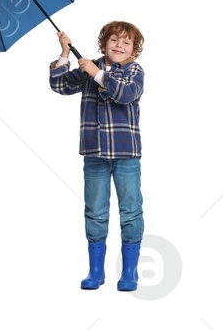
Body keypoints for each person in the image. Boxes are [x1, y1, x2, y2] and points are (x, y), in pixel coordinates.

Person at [49, 22, 147, 292]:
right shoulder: (88, 65)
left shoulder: (133, 70)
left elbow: (125, 94)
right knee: (95, 211)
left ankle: (129, 272)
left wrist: (98, 74)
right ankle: (96, 271)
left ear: (133, 51)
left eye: (126, 43)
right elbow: (59, 85)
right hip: (94, 153)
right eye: (114, 40)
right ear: (104, 44)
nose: (119, 46)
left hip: (126, 154)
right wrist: (65, 54)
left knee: (130, 211)